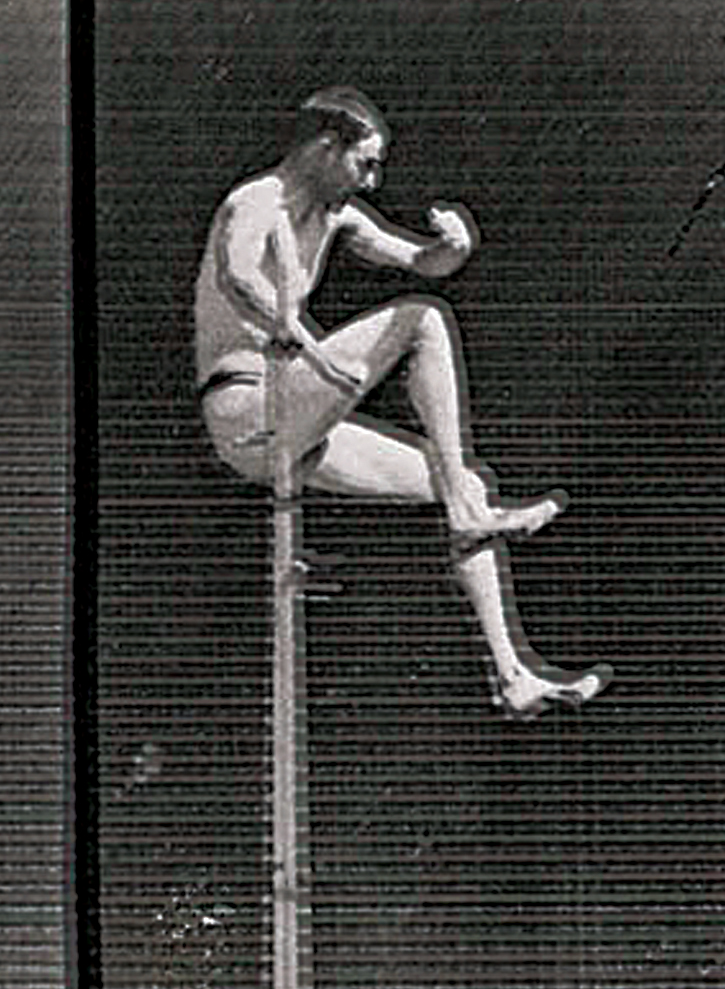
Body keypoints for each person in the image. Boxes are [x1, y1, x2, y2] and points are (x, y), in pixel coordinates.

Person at [193, 87, 608, 718]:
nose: (372, 179)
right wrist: (309, 347)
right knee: (421, 323)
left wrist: (456, 248)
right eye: (365, 163)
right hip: (245, 408)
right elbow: (240, 277)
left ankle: (512, 675)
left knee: (455, 478)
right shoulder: (254, 201)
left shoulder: (337, 216)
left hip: (294, 413)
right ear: (327, 147)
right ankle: (469, 510)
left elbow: (418, 259)